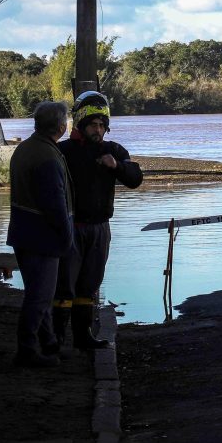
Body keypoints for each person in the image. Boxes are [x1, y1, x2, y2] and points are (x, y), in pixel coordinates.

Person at [54, 90, 143, 351]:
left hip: (100, 228)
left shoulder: (113, 150)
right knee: (64, 286)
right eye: (94, 124)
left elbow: (136, 178)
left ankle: (83, 336)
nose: (99, 129)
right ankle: (56, 339)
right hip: (70, 227)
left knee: (90, 284)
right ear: (81, 123)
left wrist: (116, 166)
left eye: (102, 125)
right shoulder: (63, 152)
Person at [7, 101, 74, 368]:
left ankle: (49, 344)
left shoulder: (26, 148)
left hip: (23, 233)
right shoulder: (46, 157)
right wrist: (67, 236)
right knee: (39, 297)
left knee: (40, 294)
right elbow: (54, 203)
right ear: (61, 126)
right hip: (41, 237)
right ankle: (27, 349)